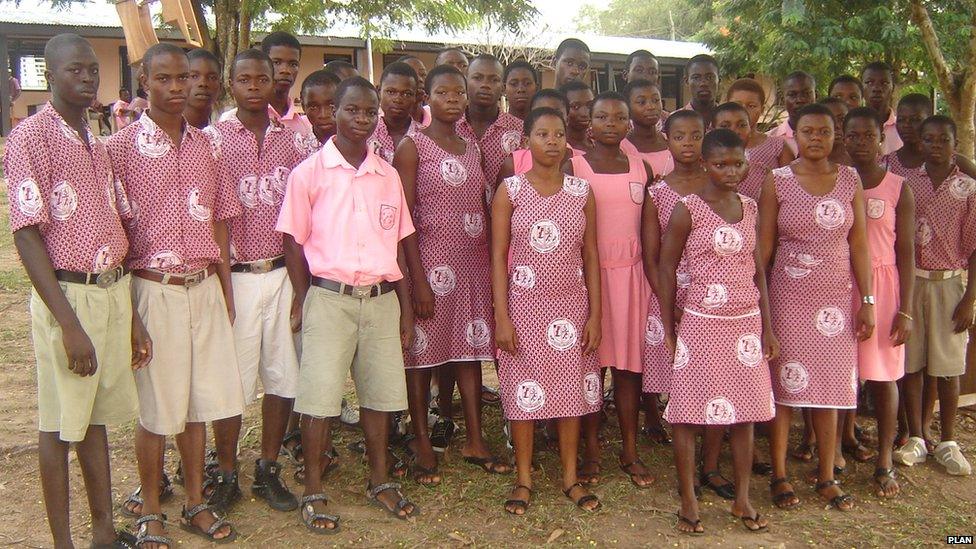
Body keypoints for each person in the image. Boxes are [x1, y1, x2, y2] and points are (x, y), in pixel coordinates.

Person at [4, 33, 144, 549]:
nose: (88, 78)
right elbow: (26, 232)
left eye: (92, 70)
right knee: (59, 424)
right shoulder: (30, 138)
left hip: (110, 291)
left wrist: (132, 314)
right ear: (50, 75)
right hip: (68, 298)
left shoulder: (94, 139)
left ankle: (103, 532)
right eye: (75, 71)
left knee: (96, 419)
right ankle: (64, 542)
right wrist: (68, 325)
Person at [108, 42, 243, 546]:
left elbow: (220, 222)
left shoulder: (209, 145)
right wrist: (130, 316)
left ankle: (194, 502)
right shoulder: (118, 150)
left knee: (197, 402)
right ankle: (149, 510)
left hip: (203, 287)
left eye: (183, 78)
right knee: (157, 408)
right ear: (144, 80)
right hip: (153, 291)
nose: (176, 88)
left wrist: (225, 289)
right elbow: (116, 234)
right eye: (163, 78)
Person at [276, 76, 421, 532]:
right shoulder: (309, 174)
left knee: (379, 395)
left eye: (369, 111)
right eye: (352, 110)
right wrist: (306, 298)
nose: (362, 119)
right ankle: (314, 490)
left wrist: (406, 304)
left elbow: (397, 242)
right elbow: (293, 243)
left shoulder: (387, 175)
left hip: (380, 299)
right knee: (318, 398)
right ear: (332, 112)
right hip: (330, 297)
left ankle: (379, 479)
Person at [394, 64, 511, 483]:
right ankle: (422, 439)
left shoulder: (470, 146)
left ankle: (475, 438)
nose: (453, 99)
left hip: (474, 265)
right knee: (422, 357)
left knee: (470, 354)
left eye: (458, 92)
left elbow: (482, 205)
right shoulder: (412, 147)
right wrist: (417, 279)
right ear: (427, 97)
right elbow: (403, 218)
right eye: (442, 92)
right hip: (430, 266)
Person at [210, 48, 314, 513]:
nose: (254, 85)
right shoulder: (211, 139)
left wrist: (303, 283)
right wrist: (222, 285)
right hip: (235, 277)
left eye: (262, 78)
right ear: (231, 85)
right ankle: (226, 470)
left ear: (275, 83)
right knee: (231, 382)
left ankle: (268, 467)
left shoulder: (295, 140)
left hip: (282, 273)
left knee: (283, 376)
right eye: (244, 78)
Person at [759, 103, 875, 513]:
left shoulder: (850, 180)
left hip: (837, 304)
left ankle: (826, 476)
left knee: (830, 391)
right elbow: (764, 249)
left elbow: (859, 244)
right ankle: (779, 475)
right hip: (789, 299)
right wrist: (761, 308)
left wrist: (868, 301)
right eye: (807, 131)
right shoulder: (777, 181)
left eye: (823, 131)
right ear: (794, 134)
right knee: (785, 392)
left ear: (834, 135)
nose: (815, 138)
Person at [659, 129, 776, 534]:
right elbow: (665, 266)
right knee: (687, 414)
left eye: (738, 163)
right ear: (706, 164)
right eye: (721, 163)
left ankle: (743, 500)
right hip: (701, 323)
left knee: (745, 415)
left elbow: (757, 267)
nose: (731, 171)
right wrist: (669, 324)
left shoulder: (749, 206)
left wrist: (768, 326)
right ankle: (689, 498)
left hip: (745, 324)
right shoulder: (686, 209)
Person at [492, 106, 603, 514]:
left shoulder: (581, 192)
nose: (552, 142)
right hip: (523, 308)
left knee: (570, 390)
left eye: (558, 134)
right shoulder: (511, 190)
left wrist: (596, 314)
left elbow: (591, 254)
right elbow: (499, 256)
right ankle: (523, 479)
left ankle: (570, 478)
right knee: (525, 393)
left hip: (572, 309)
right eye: (542, 134)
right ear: (527, 141)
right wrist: (501, 317)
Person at [564, 91, 656, 489]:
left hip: (632, 277)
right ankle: (591, 448)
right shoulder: (574, 167)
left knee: (628, 368)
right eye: (602, 117)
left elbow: (648, 230)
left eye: (619, 118)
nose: (610, 124)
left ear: (628, 124)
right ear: (589, 122)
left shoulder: (642, 168)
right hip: (588, 278)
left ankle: (630, 450)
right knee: (590, 364)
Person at [895, 115, 975, 476]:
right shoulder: (907, 183)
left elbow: (974, 249)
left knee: (947, 367)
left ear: (954, 143)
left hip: (950, 284)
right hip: (912, 281)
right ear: (920, 144)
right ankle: (915, 437)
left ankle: (947, 440)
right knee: (911, 363)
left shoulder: (968, 187)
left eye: (943, 140)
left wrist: (970, 299)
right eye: (929, 140)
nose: (936, 147)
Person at [844, 106, 916, 496]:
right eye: (851, 135)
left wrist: (905, 308)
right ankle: (838, 446)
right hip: (839, 283)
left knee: (883, 374)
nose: (859, 143)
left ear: (880, 139)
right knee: (839, 373)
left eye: (867, 136)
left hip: (884, 287)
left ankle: (885, 458)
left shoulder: (898, 187)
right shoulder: (836, 180)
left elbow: (906, 251)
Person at [641, 109, 708, 449]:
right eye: (679, 136)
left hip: (711, 294)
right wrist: (668, 303)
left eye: (695, 136)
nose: (688, 144)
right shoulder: (657, 192)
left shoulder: (717, 185)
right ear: (667, 139)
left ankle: (708, 429)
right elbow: (652, 258)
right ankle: (664, 421)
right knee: (672, 364)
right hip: (670, 291)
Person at [721, 78, 794, 197]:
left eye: (751, 106)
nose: (743, 110)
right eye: (737, 104)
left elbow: (790, 188)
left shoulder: (778, 146)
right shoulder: (715, 146)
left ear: (762, 109)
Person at [497, 89, 574, 181]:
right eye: (540, 113)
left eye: (556, 113)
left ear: (567, 119)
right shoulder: (514, 163)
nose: (547, 119)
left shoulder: (580, 161)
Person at [621, 79, 673, 178]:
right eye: (641, 102)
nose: (651, 107)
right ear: (627, 108)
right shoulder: (621, 149)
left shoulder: (672, 142)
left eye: (656, 100)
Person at [370, 62, 420, 163]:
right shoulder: (367, 133)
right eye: (391, 92)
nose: (397, 99)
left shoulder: (426, 137)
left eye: (406, 94)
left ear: (415, 96)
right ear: (379, 91)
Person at [767, 71, 815, 155]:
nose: (800, 100)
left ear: (816, 96)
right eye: (792, 95)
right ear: (782, 99)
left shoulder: (830, 137)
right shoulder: (768, 141)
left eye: (806, 93)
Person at [861, 61, 902, 156]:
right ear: (861, 88)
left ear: (893, 88)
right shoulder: (851, 128)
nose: (876, 88)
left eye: (884, 83)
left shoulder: (902, 128)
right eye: (869, 82)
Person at [184, 48, 222, 130]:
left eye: (212, 77)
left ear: (220, 87)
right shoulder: (157, 134)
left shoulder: (226, 136)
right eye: (194, 76)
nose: (203, 83)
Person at [300, 69, 340, 145]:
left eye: (331, 105)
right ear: (303, 106)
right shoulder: (297, 149)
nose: (323, 115)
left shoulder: (362, 145)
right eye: (313, 107)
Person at [681, 54, 720, 128]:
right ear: (686, 81)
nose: (703, 83)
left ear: (719, 80)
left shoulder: (729, 120)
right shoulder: (674, 120)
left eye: (709, 77)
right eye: (696, 78)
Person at [559, 81, 594, 154]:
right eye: (575, 107)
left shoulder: (600, 143)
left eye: (589, 105)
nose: (585, 113)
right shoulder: (560, 149)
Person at [399, 56, 431, 127]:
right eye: (412, 75)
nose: (420, 79)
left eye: (423, 74)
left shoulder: (437, 118)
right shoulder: (378, 125)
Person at [821, 97, 852, 166]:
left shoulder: (860, 158)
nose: (836, 125)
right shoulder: (809, 162)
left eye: (842, 119)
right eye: (829, 120)